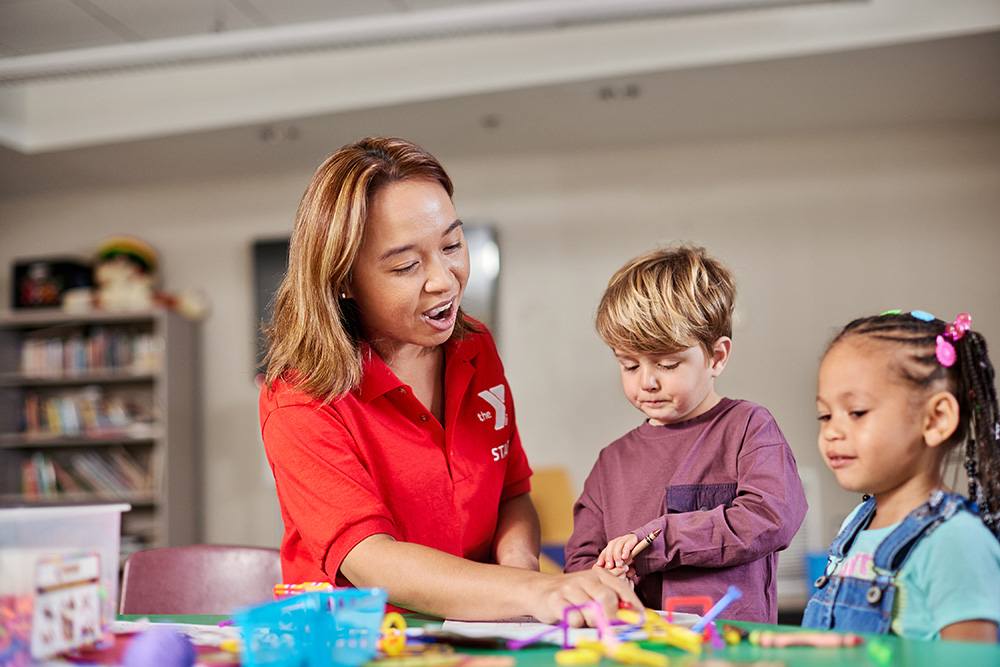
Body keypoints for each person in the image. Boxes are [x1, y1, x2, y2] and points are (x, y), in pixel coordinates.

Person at [259, 136, 641, 626]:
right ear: (343, 280)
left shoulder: (474, 347)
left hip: (481, 631)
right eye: (406, 265)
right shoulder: (299, 397)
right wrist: (532, 592)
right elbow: (369, 557)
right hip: (362, 641)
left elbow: (512, 493)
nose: (445, 279)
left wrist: (521, 581)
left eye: (452, 245)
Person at [563, 245, 808, 622]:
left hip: (732, 651)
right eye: (629, 365)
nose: (647, 382)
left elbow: (770, 516)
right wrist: (604, 579)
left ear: (716, 357)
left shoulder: (748, 428)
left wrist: (658, 541)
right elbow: (581, 561)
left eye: (667, 363)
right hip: (638, 650)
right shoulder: (611, 461)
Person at [802, 310, 1000, 642]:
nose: (832, 431)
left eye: (857, 412)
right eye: (825, 414)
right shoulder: (858, 522)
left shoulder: (957, 542)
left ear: (936, 419)